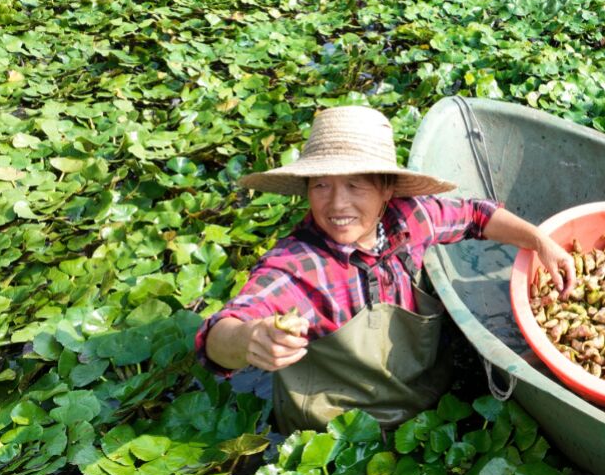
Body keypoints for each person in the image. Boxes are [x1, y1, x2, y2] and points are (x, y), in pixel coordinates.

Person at [195, 105, 575, 434]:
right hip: (341, 437)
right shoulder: (300, 266)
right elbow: (217, 336)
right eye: (321, 185)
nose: (336, 204)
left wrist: (538, 240)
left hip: (428, 400)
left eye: (356, 185)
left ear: (387, 190)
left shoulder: (411, 218)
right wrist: (250, 338)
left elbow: (476, 215)